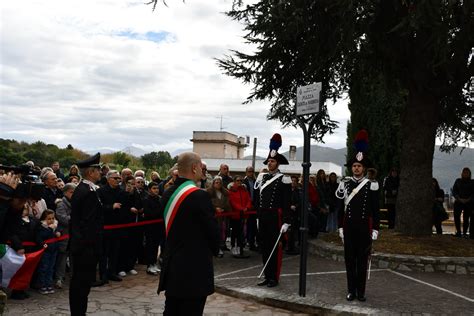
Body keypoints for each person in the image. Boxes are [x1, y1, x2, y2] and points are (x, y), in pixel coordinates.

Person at [157, 152, 219, 315]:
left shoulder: (167, 193)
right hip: (194, 271)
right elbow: (214, 234)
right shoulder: (199, 195)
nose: (202, 170)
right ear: (194, 167)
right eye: (201, 167)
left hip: (172, 268)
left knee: (171, 311)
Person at [336, 131, 380, 302]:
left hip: (363, 227)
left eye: (359, 166)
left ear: (364, 168)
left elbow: (376, 210)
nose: (356, 168)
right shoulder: (344, 184)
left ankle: (360, 292)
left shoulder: (372, 185)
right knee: (349, 260)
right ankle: (350, 290)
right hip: (348, 226)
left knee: (362, 260)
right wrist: (340, 226)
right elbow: (340, 208)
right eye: (354, 166)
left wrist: (375, 228)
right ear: (351, 167)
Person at [255, 133, 291, 288]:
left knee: (275, 248)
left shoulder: (284, 179)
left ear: (278, 163)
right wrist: (257, 216)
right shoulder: (261, 178)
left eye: (272, 161)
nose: (270, 163)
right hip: (263, 216)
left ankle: (274, 278)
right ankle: (267, 275)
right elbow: (257, 199)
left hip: (276, 217)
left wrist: (286, 221)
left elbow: (287, 203)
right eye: (269, 161)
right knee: (264, 247)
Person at [69, 153, 104, 316]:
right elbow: (88, 224)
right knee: (80, 286)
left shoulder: (86, 189)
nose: (100, 173)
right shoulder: (87, 191)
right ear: (91, 172)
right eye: (98, 170)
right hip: (85, 248)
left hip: (83, 246)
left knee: (82, 285)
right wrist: (91, 247)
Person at [97, 170, 123, 283]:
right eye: (115, 178)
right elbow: (98, 208)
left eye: (119, 178)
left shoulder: (121, 191)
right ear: (108, 179)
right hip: (105, 226)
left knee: (115, 251)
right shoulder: (101, 191)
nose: (118, 180)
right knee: (104, 252)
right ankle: (103, 275)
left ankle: (112, 272)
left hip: (117, 226)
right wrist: (111, 206)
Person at [54, 182, 77, 289]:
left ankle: (74, 277)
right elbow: (63, 219)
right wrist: (76, 218)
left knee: (74, 256)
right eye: (72, 192)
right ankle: (59, 278)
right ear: (65, 192)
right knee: (62, 257)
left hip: (75, 234)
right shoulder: (61, 204)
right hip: (64, 234)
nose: (74, 194)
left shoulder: (77, 202)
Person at [36, 209, 61, 295]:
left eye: (52, 218)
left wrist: (58, 232)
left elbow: (57, 234)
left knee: (51, 268)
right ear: (44, 219)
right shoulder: (42, 226)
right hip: (45, 251)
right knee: (44, 268)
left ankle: (49, 284)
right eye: (49, 219)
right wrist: (50, 230)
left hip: (54, 250)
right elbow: (41, 237)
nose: (51, 220)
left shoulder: (55, 226)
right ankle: (42, 285)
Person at [143, 181, 164, 275]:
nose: (156, 190)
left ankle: (154, 263)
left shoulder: (159, 199)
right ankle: (149, 266)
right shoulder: (146, 200)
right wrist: (159, 212)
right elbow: (150, 214)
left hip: (158, 226)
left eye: (157, 188)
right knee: (150, 246)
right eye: (154, 188)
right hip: (150, 227)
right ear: (149, 190)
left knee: (156, 246)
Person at [228, 175, 252, 256]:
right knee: (234, 231)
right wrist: (241, 208)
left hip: (244, 214)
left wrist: (247, 207)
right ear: (234, 181)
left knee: (241, 232)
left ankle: (239, 246)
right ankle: (233, 246)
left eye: (241, 181)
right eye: (237, 180)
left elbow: (248, 199)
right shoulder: (231, 190)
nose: (239, 182)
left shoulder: (244, 190)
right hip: (236, 215)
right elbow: (232, 202)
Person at [207, 176, 232, 256]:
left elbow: (227, 203)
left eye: (220, 182)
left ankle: (220, 247)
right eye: (216, 182)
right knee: (214, 232)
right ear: (213, 183)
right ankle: (214, 248)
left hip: (223, 216)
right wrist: (215, 208)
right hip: (213, 217)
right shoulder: (208, 192)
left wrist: (224, 209)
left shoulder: (225, 192)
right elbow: (207, 204)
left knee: (223, 231)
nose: (218, 184)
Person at [452, 167, 473, 238]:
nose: (465, 174)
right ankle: (458, 232)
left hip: (469, 202)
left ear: (470, 174)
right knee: (456, 216)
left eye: (467, 173)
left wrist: (468, 199)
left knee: (466, 218)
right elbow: (454, 191)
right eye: (464, 172)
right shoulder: (458, 181)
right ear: (462, 173)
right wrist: (459, 198)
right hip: (458, 201)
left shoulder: (472, 182)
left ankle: (464, 233)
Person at [242, 166, 259, 251]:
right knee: (245, 226)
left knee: (253, 226)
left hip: (254, 206)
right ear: (246, 172)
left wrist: (254, 205)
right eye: (249, 171)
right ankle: (244, 243)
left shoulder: (256, 182)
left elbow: (257, 195)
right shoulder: (243, 182)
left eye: (252, 171)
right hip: (245, 207)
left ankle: (251, 243)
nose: (250, 173)